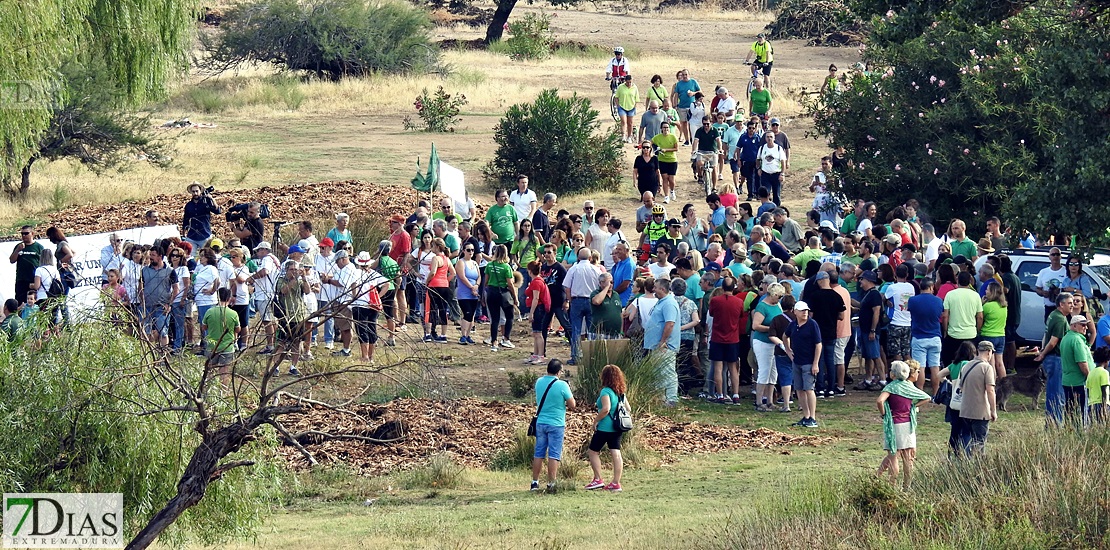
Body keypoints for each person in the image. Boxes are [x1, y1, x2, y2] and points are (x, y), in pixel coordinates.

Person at [875, 361, 930, 490]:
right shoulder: (909, 386)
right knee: (908, 458)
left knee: (893, 456)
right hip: (908, 425)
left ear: (893, 374)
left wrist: (884, 414)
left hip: (894, 424)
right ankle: (907, 487)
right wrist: (913, 407)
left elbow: (880, 401)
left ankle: (892, 486)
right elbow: (927, 397)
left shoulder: (891, 387)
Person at [531, 359, 576, 492]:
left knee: (539, 452)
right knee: (554, 454)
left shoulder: (539, 382)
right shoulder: (562, 385)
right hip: (556, 423)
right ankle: (551, 483)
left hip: (541, 422)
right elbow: (572, 404)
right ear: (558, 371)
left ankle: (535, 482)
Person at [586, 364, 628, 492]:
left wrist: (596, 420)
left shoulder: (605, 391)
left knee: (593, 451)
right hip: (617, 427)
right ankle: (616, 482)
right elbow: (628, 409)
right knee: (616, 452)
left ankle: (598, 479)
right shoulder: (621, 392)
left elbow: (606, 409)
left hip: (605, 427)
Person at [1035, 292, 1073, 427]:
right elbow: (1053, 341)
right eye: (1069, 303)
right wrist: (1043, 354)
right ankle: (1055, 424)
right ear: (1061, 304)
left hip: (1052, 359)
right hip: (1056, 358)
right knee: (1057, 395)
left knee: (1052, 392)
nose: (1072, 305)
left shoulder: (1053, 315)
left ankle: (1050, 423)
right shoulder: (1060, 319)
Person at [956, 341, 998, 455]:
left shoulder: (965, 365)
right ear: (989, 352)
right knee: (979, 443)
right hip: (981, 412)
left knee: (967, 440)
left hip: (965, 410)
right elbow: (990, 390)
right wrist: (993, 411)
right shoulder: (986, 368)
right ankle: (976, 468)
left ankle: (965, 462)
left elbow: (962, 387)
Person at [643, 278, 681, 406]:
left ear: (662, 289)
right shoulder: (661, 302)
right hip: (656, 345)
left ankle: (671, 399)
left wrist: (663, 341)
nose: (653, 289)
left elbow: (670, 323)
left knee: (667, 371)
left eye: (655, 287)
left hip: (665, 346)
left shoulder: (669, 303)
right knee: (659, 372)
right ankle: (661, 398)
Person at [784, 300, 822, 428]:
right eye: (802, 311)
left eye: (806, 310)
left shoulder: (812, 324)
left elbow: (818, 344)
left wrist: (815, 363)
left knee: (809, 389)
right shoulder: (793, 325)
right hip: (797, 361)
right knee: (799, 389)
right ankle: (806, 416)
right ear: (795, 312)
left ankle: (813, 417)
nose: (805, 313)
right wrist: (788, 351)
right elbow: (785, 336)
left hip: (808, 362)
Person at [907, 278, 944, 393]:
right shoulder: (938, 301)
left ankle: (920, 391)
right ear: (931, 287)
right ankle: (936, 392)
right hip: (935, 336)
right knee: (935, 366)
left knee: (920, 367)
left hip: (919, 337)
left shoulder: (913, 300)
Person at [564, 248, 600, 364]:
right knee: (592, 331)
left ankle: (575, 356)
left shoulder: (574, 269)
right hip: (591, 301)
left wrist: (570, 299)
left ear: (578, 258)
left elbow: (567, 286)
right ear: (590, 258)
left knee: (576, 330)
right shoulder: (596, 270)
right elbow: (600, 287)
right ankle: (592, 356)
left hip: (577, 300)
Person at [139, 245, 179, 347]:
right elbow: (140, 287)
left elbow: (176, 289)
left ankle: (163, 356)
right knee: (145, 332)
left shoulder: (170, 271)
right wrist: (142, 302)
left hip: (162, 307)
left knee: (163, 332)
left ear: (160, 256)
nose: (151, 257)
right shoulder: (144, 270)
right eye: (150, 255)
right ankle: (148, 355)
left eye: (153, 255)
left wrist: (169, 305)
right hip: (147, 307)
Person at [200, 288, 240, 386]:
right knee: (224, 372)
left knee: (209, 371)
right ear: (229, 298)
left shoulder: (209, 311)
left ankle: (208, 392)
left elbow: (204, 327)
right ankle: (223, 392)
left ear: (217, 297)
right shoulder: (233, 314)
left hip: (212, 347)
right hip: (227, 347)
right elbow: (238, 329)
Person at [1060, 314, 1093, 428]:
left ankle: (1070, 436)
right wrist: (1090, 379)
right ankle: (1080, 437)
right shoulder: (1077, 340)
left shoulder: (1066, 338)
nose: (1086, 327)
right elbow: (1082, 363)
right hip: (1079, 383)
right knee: (1081, 415)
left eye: (1086, 325)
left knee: (1070, 413)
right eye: (1082, 325)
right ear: (1073, 326)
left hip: (1068, 381)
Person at [486, 245, 518, 352]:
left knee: (494, 319)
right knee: (509, 316)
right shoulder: (506, 267)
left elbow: (485, 281)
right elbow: (510, 283)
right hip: (503, 293)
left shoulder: (489, 265)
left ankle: (494, 342)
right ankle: (505, 338)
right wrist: (515, 297)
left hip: (491, 292)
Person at [249, 242, 279, 354]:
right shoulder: (274, 259)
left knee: (267, 321)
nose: (257, 253)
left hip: (265, 294)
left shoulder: (267, 259)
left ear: (263, 250)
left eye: (258, 251)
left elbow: (265, 271)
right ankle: (274, 344)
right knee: (273, 320)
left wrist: (252, 277)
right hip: (272, 293)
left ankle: (270, 346)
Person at [424, 238, 455, 343]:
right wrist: (446, 280)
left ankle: (428, 334)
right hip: (444, 286)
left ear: (437, 247)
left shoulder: (436, 258)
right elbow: (453, 273)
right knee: (442, 310)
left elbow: (432, 272)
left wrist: (427, 282)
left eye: (432, 246)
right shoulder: (447, 259)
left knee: (430, 309)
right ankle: (443, 335)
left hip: (434, 285)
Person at [181, 183, 222, 254]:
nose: (195, 193)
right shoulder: (189, 205)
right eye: (193, 192)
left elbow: (217, 211)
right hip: (192, 235)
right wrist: (183, 234)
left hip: (205, 234)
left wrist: (211, 198)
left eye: (197, 191)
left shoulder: (206, 201)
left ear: (200, 191)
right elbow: (186, 220)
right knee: (190, 256)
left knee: (206, 255)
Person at [525, 261, 551, 365]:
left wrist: (531, 313)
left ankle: (540, 355)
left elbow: (536, 298)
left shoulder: (536, 282)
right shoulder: (538, 281)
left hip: (538, 309)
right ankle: (536, 354)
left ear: (530, 271)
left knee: (538, 333)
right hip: (539, 308)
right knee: (536, 333)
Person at [10, 226, 44, 306]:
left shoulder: (39, 247)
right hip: (21, 280)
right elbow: (12, 260)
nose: (24, 236)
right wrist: (18, 250)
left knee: (34, 303)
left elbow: (43, 263)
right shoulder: (19, 246)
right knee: (20, 302)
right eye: (22, 234)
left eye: (26, 233)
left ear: (32, 234)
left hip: (34, 279)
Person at [981, 281, 1008, 379]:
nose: (985, 291)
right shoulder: (1004, 306)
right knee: (1000, 362)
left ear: (992, 292)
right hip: (1001, 335)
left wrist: (982, 303)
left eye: (987, 289)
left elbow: (980, 317)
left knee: (991, 363)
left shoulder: (987, 306)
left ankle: (992, 383)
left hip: (989, 335)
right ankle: (1005, 383)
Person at [455, 243, 481, 345]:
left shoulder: (474, 263)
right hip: (464, 292)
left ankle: (468, 334)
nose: (471, 252)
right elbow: (462, 276)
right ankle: (463, 335)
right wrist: (471, 287)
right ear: (464, 251)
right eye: (468, 250)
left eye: (472, 250)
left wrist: (477, 286)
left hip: (474, 293)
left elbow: (479, 276)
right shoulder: (461, 262)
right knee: (467, 313)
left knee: (472, 314)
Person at [670, 69, 700, 145]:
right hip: (682, 106)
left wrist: (693, 93)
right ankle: (687, 140)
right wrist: (675, 105)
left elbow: (700, 92)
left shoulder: (693, 82)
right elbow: (676, 95)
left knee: (691, 123)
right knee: (683, 123)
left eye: (686, 74)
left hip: (692, 106)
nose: (684, 76)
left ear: (689, 74)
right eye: (683, 75)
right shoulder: (679, 84)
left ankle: (692, 138)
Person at [755, 130, 786, 206]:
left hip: (776, 174)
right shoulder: (762, 148)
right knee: (765, 193)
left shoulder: (778, 148)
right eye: (768, 137)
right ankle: (766, 209)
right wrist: (758, 168)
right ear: (765, 138)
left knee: (776, 194)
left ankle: (777, 210)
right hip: (765, 174)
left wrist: (782, 174)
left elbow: (783, 162)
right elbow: (758, 159)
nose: (769, 139)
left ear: (774, 138)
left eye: (771, 137)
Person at [651, 123, 680, 202]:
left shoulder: (673, 137)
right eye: (664, 127)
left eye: (667, 127)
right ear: (661, 128)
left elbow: (676, 148)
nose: (666, 129)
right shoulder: (657, 137)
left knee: (671, 179)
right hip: (662, 160)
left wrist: (666, 150)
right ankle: (666, 196)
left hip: (672, 160)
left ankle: (672, 190)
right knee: (664, 178)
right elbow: (651, 142)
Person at [1087, 347, 1110, 423]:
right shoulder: (1104, 373)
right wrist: (1104, 407)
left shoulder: (1091, 373)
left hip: (1091, 404)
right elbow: (1104, 390)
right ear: (1106, 361)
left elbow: (1088, 390)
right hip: (1102, 404)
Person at [614, 75, 640, 142]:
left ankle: (629, 136)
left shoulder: (635, 88)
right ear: (625, 81)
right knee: (623, 121)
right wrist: (618, 106)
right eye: (627, 82)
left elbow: (636, 98)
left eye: (630, 82)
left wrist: (635, 106)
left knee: (630, 123)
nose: (629, 84)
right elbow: (616, 97)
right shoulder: (621, 87)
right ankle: (623, 136)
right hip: (622, 107)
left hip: (631, 107)